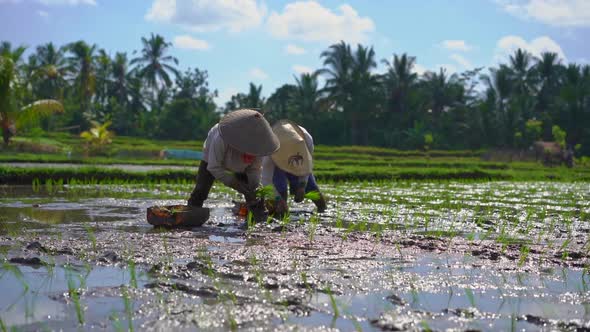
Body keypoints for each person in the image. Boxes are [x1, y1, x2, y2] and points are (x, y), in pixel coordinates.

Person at [187, 109, 280, 220]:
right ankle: (190, 216)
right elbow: (214, 167)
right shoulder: (221, 138)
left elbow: (254, 169)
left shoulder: (259, 145)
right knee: (201, 190)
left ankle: (258, 219)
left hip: (242, 166)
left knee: (254, 194)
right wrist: (236, 185)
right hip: (213, 160)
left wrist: (255, 187)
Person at [261, 120, 327, 217]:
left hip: (299, 162)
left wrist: (302, 186)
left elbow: (306, 166)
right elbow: (266, 180)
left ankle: (322, 211)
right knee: (279, 189)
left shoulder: (306, 139)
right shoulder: (269, 148)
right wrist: (277, 199)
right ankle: (279, 216)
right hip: (276, 165)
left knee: (312, 188)